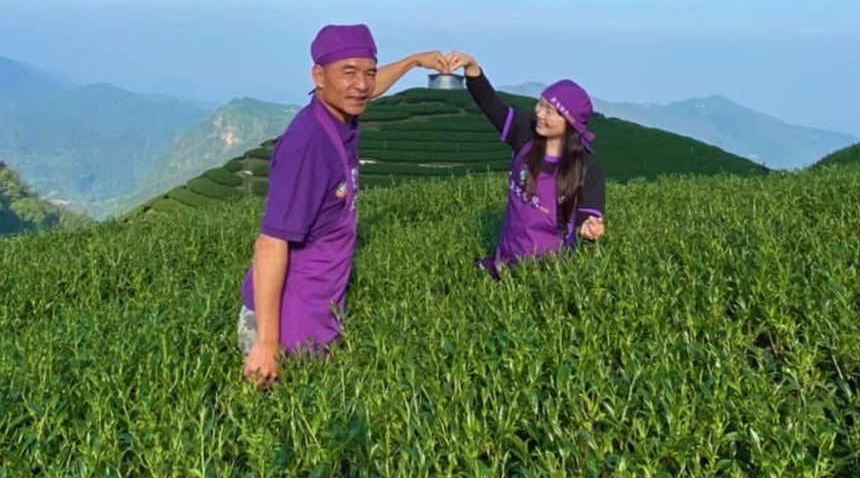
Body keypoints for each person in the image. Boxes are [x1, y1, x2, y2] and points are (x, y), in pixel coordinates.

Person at [239, 24, 447, 384]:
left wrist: (413, 61)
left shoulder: (340, 114)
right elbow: (270, 244)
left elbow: (363, 90)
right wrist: (267, 343)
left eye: (369, 72)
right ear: (319, 76)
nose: (362, 85)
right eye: (348, 72)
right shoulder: (308, 145)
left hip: (320, 303)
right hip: (287, 319)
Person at [444, 51, 605, 278]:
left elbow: (586, 215)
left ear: (570, 123)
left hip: (550, 272)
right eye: (540, 104)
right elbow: (490, 103)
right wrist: (471, 67)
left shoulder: (586, 165)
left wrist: (588, 228)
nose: (539, 113)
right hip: (505, 261)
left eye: (549, 111)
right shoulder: (525, 134)